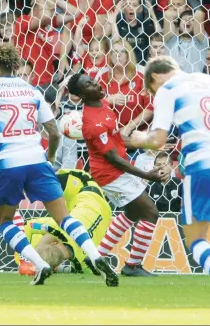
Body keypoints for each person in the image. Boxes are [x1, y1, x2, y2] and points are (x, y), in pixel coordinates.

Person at [0, 43, 118, 287]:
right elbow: (54, 132)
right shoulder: (32, 90)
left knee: (3, 220)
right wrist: (50, 158)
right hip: (37, 160)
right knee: (64, 217)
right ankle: (95, 256)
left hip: (8, 164)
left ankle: (39, 264)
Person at [130, 56, 210, 308]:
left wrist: (136, 139)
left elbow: (157, 140)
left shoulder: (167, 90)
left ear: (155, 78)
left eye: (151, 90)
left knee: (196, 239)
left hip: (202, 165)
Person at [66, 72, 167, 277]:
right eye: (88, 84)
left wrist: (148, 142)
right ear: (82, 95)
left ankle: (96, 257)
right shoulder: (92, 124)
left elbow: (118, 140)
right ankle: (132, 266)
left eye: (92, 80)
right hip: (110, 174)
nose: (95, 83)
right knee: (150, 212)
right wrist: (148, 175)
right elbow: (113, 157)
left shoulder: (103, 104)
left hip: (118, 169)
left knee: (132, 213)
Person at [15, 169, 112, 275]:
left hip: (105, 211)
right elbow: (28, 225)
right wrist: (25, 260)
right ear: (53, 242)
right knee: (40, 183)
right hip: (85, 187)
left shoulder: (82, 263)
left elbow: (84, 271)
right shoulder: (58, 228)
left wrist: (27, 261)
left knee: (40, 184)